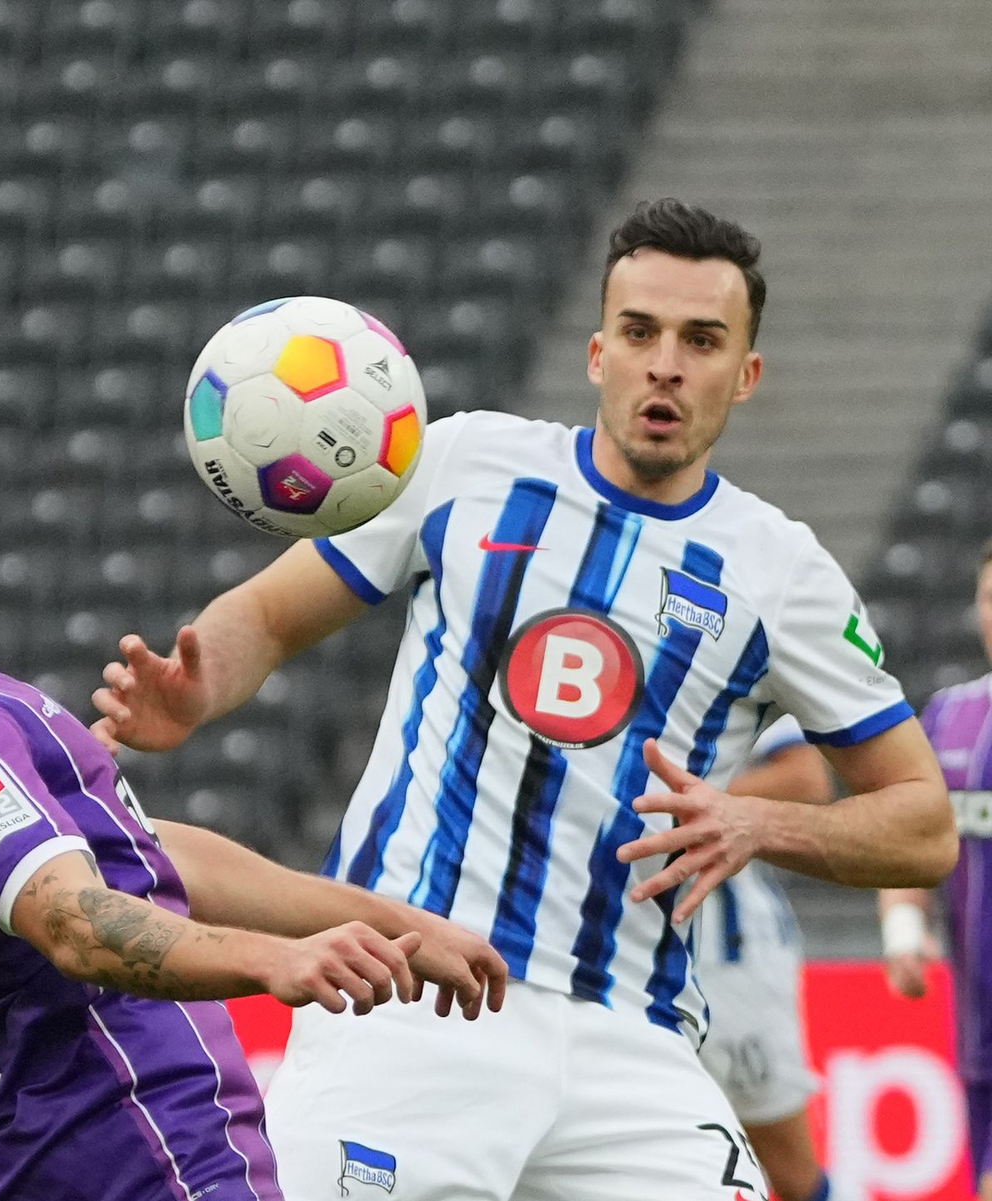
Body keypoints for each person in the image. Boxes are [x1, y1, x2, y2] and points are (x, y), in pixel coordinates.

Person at [92, 198, 956, 1201]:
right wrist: (199, 691)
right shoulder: (463, 464)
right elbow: (272, 617)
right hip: (410, 1003)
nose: (665, 363)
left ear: (746, 375)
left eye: (701, 340)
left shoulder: (785, 575)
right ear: (598, 354)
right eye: (640, 333)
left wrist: (759, 820)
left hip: (634, 1039)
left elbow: (925, 823)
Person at [0, 337, 508, 1201]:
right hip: (132, 1141)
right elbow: (80, 920)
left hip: (33, 1154)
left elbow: (139, 851)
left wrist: (386, 919)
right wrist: (273, 961)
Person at [881, 539, 992, 1201]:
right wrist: (902, 926)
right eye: (988, 597)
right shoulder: (950, 714)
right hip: (976, 1019)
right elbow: (910, 833)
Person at [697, 716, 837, 1201]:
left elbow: (805, 777)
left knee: (788, 1166)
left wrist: (688, 803)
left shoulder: (740, 644)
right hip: (606, 960)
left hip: (728, 961)